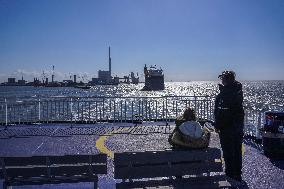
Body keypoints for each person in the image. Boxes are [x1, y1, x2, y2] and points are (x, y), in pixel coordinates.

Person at [214, 71, 244, 182]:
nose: (221, 80)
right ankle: (237, 174)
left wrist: (218, 125)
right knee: (237, 151)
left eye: (223, 78)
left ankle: (230, 174)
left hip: (227, 128)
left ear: (226, 80)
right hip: (237, 127)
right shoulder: (237, 91)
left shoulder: (226, 93)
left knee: (229, 152)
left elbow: (222, 112)